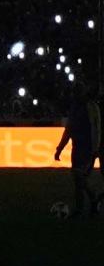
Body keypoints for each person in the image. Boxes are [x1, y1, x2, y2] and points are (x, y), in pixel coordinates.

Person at [55, 82, 102, 217]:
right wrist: (60, 148)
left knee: (79, 176)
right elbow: (69, 129)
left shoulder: (91, 107)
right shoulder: (76, 107)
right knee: (78, 179)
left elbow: (96, 129)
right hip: (77, 146)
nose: (75, 94)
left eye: (77, 91)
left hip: (87, 147)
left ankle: (84, 205)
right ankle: (90, 202)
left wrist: (95, 148)